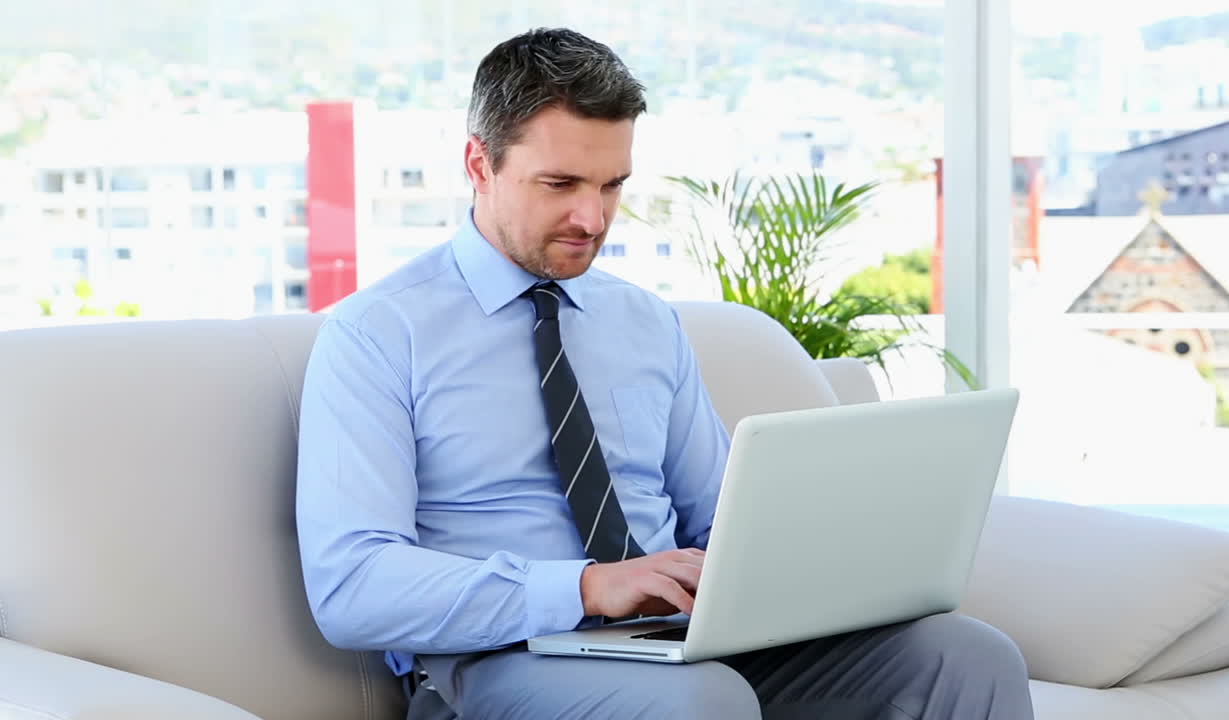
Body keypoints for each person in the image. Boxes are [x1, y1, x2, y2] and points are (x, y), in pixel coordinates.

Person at [296, 27, 1035, 720]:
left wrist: (815, 566)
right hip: (498, 660)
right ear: (480, 164)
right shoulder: (378, 334)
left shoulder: (645, 323)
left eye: (612, 185)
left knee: (965, 658)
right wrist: (586, 586)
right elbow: (352, 586)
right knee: (702, 703)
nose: (593, 217)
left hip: (671, 641)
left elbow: (721, 518)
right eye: (561, 184)